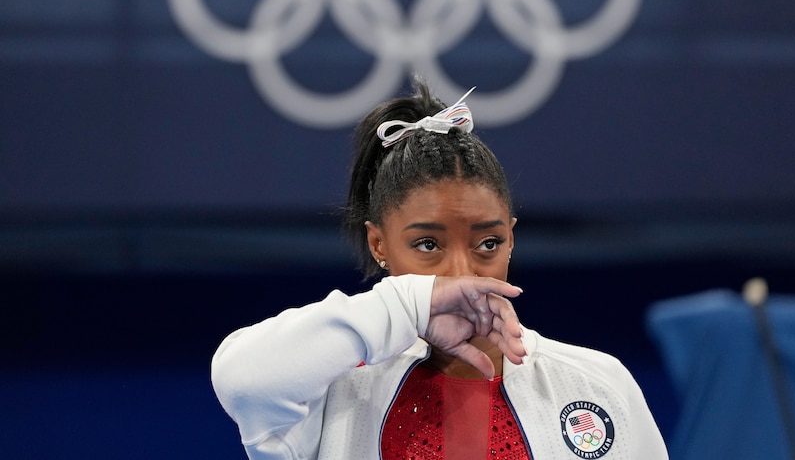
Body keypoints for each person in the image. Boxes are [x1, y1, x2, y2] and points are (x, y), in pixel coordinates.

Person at [211, 78, 668, 459]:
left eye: (488, 242)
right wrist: (407, 304)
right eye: (428, 244)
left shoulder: (597, 382)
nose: (462, 273)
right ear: (378, 244)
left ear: (512, 237)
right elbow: (240, 380)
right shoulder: (334, 388)